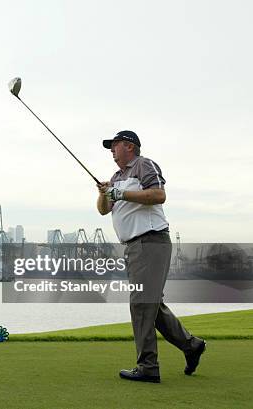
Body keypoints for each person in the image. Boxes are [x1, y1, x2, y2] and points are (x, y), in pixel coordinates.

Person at [96, 130, 206, 383]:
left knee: (142, 304)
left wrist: (119, 193)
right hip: (134, 246)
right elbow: (103, 211)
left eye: (114, 146)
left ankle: (148, 366)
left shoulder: (144, 165)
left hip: (151, 241)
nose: (111, 151)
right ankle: (191, 346)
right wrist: (105, 192)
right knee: (151, 305)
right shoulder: (116, 177)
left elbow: (158, 195)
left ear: (129, 147)